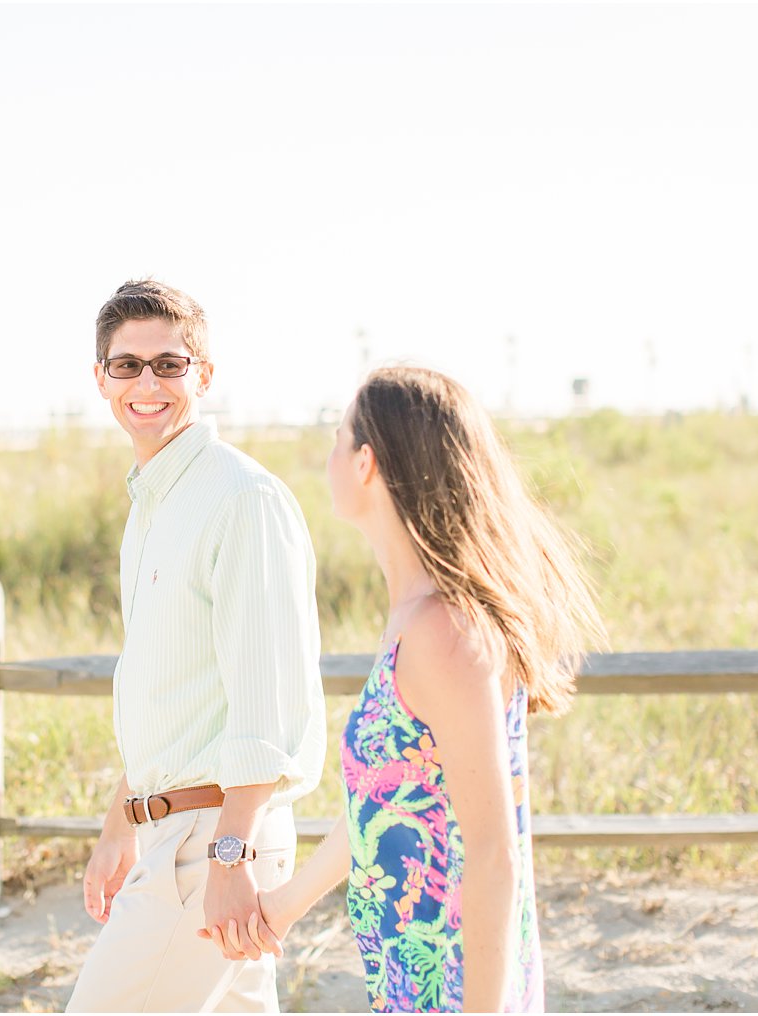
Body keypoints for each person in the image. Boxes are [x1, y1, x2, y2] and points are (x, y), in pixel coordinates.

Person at [239, 366, 605, 1013]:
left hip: (457, 991)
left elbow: (491, 856)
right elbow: (395, 797)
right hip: (411, 982)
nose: (326, 458)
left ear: (366, 462)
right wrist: (284, 907)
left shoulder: (443, 631)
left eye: (336, 439)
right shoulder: (418, 617)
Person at [65, 279, 327, 1013]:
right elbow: (173, 693)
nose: (147, 383)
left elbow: (262, 698)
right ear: (101, 379)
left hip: (213, 841)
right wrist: (123, 824)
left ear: (203, 376)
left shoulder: (241, 499)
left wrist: (230, 855)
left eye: (169, 364)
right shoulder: (153, 504)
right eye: (126, 366)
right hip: (173, 836)